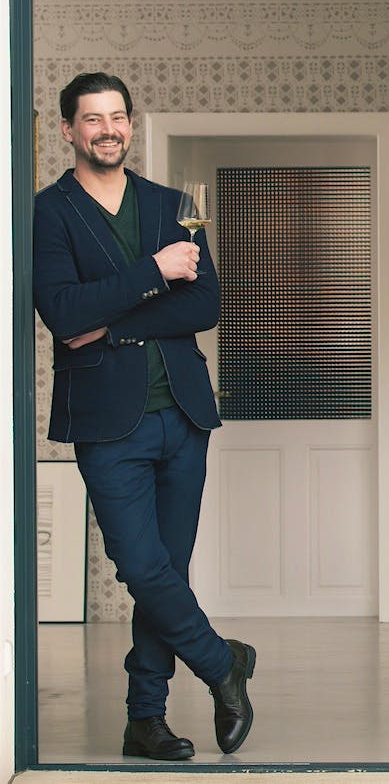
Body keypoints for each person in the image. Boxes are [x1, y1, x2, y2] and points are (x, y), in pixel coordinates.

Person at [34, 73, 255, 760]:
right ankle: (223, 664)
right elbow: (63, 312)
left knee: (170, 567)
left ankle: (144, 720)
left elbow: (206, 307)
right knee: (140, 563)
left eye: (119, 117)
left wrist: (115, 319)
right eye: (93, 119)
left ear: (132, 125)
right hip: (107, 419)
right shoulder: (48, 213)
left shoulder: (172, 204)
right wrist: (154, 270)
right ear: (69, 130)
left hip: (183, 412)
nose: (108, 129)